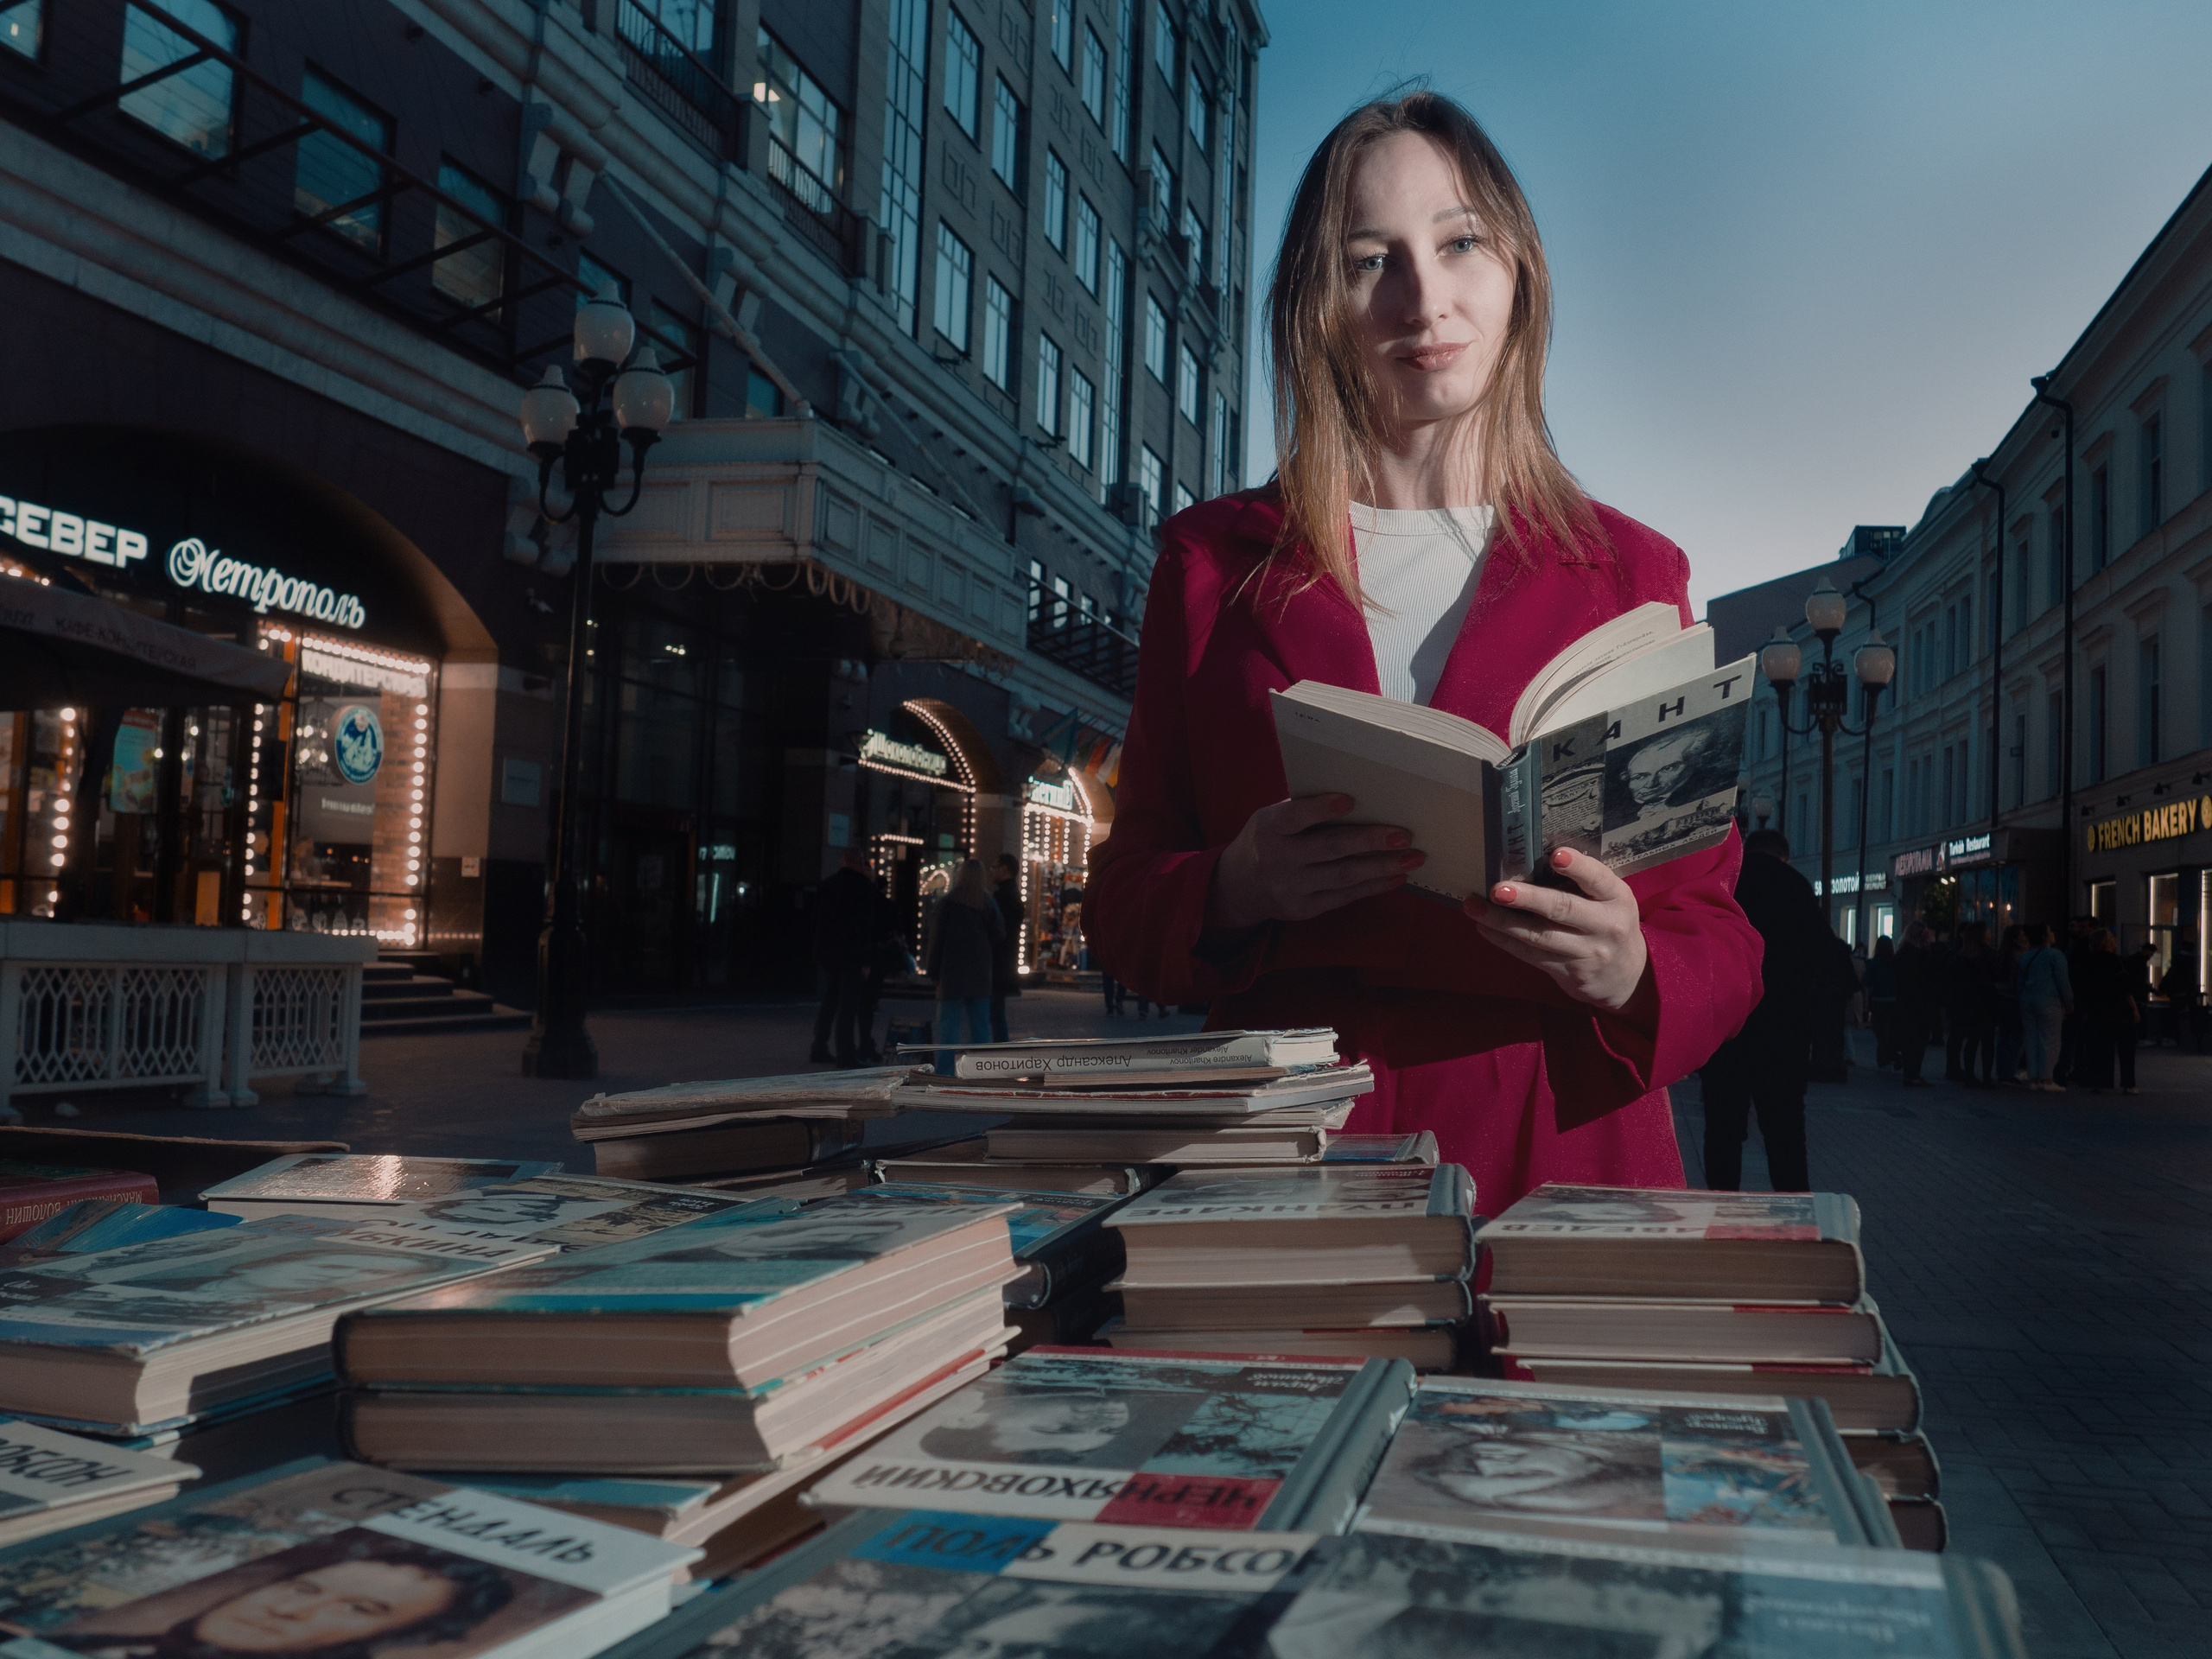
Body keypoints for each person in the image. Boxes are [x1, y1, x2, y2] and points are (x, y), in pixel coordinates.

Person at [1083, 93, 1762, 1211]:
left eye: (1459, 243)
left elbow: (1721, 935)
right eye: (1369, 261)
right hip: (1282, 1141)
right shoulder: (1212, 564)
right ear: (1319, 305)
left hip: (1556, 1144)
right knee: (1278, 1392)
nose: (1425, 298)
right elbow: (1123, 900)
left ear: (1519, 272)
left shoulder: (1635, 573)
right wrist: (1233, 886)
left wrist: (1633, 968)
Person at [1696, 830, 1821, 1192]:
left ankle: (1720, 1208)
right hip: (1783, 1033)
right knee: (1786, 1136)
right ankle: (1795, 1212)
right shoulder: (1796, 886)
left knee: (1721, 1131)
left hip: (1727, 1029)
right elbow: (1817, 958)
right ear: (1784, 856)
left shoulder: (1728, 883)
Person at [928, 858, 1003, 1073]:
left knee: (948, 1029)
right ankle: (981, 1072)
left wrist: (933, 971)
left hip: (951, 974)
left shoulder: (948, 902)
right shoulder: (987, 902)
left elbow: (937, 940)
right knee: (980, 1028)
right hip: (979, 974)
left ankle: (945, 1072)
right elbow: (1000, 934)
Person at [809, 845, 877, 1067]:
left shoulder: (827, 885)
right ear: (859, 863)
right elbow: (865, 927)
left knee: (830, 1001)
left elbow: (818, 922)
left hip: (829, 952)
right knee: (848, 1005)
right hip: (852, 955)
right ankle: (845, 1053)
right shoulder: (863, 888)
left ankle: (819, 1046)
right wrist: (866, 961)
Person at [2075, 929, 2139, 1095]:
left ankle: (2100, 1082)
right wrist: (2134, 1009)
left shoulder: (2088, 960)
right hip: (2119, 1010)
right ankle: (2128, 1083)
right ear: (2106, 942)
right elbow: (2123, 987)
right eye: (2111, 937)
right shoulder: (2115, 960)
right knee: (2126, 1049)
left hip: (2098, 1010)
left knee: (2101, 1048)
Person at [2017, 924, 2073, 1091]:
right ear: (2044, 937)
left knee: (2032, 1039)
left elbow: (2020, 982)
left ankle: (2033, 1077)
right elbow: (2063, 980)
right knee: (2050, 1039)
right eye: (2050, 931)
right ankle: (2047, 1079)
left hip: (2028, 1000)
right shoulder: (2055, 955)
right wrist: (2069, 1001)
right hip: (2049, 1001)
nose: (2053, 933)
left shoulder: (2026, 956)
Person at [1948, 921, 1999, 1085]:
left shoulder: (1962, 955)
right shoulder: (1989, 954)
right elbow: (1997, 975)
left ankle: (1969, 1075)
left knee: (1972, 1039)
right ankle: (1986, 1076)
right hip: (1986, 1001)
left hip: (1967, 1003)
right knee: (1987, 1041)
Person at [1891, 922, 1938, 1087]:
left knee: (1911, 1040)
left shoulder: (1902, 953)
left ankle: (1911, 1073)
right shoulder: (1916, 955)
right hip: (1917, 1003)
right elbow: (1929, 973)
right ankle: (1913, 1074)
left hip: (1907, 1003)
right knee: (1917, 1040)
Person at [988, 853, 1024, 1042]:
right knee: (995, 1014)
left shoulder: (1002, 897)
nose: (991, 871)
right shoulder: (1011, 895)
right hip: (1004, 964)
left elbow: (997, 933)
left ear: (1004, 869)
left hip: (997, 964)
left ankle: (997, 1058)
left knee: (993, 1015)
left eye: (994, 867)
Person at [1993, 924, 2028, 1084]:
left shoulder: (2003, 954)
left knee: (2005, 1037)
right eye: (2021, 935)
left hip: (2003, 998)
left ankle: (2003, 1071)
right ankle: (2009, 1071)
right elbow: (2018, 980)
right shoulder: (2018, 956)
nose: (2024, 937)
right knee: (2015, 1037)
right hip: (2014, 998)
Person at [1864, 936, 1899, 1067]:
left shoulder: (1875, 962)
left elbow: (1867, 981)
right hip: (1893, 1000)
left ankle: (1883, 1059)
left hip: (1878, 1000)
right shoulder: (1894, 962)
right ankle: (1890, 1056)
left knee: (1881, 1032)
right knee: (1891, 1031)